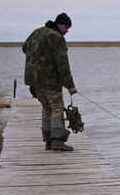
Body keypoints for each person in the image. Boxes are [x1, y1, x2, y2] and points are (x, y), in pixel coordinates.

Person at [22, 12, 78, 151]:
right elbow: (62, 63)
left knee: (47, 108)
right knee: (57, 107)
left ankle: (48, 140)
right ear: (59, 25)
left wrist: (39, 57)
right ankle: (57, 141)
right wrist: (70, 86)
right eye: (66, 27)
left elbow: (24, 48)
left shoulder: (37, 32)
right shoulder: (56, 37)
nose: (67, 31)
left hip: (34, 80)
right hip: (49, 80)